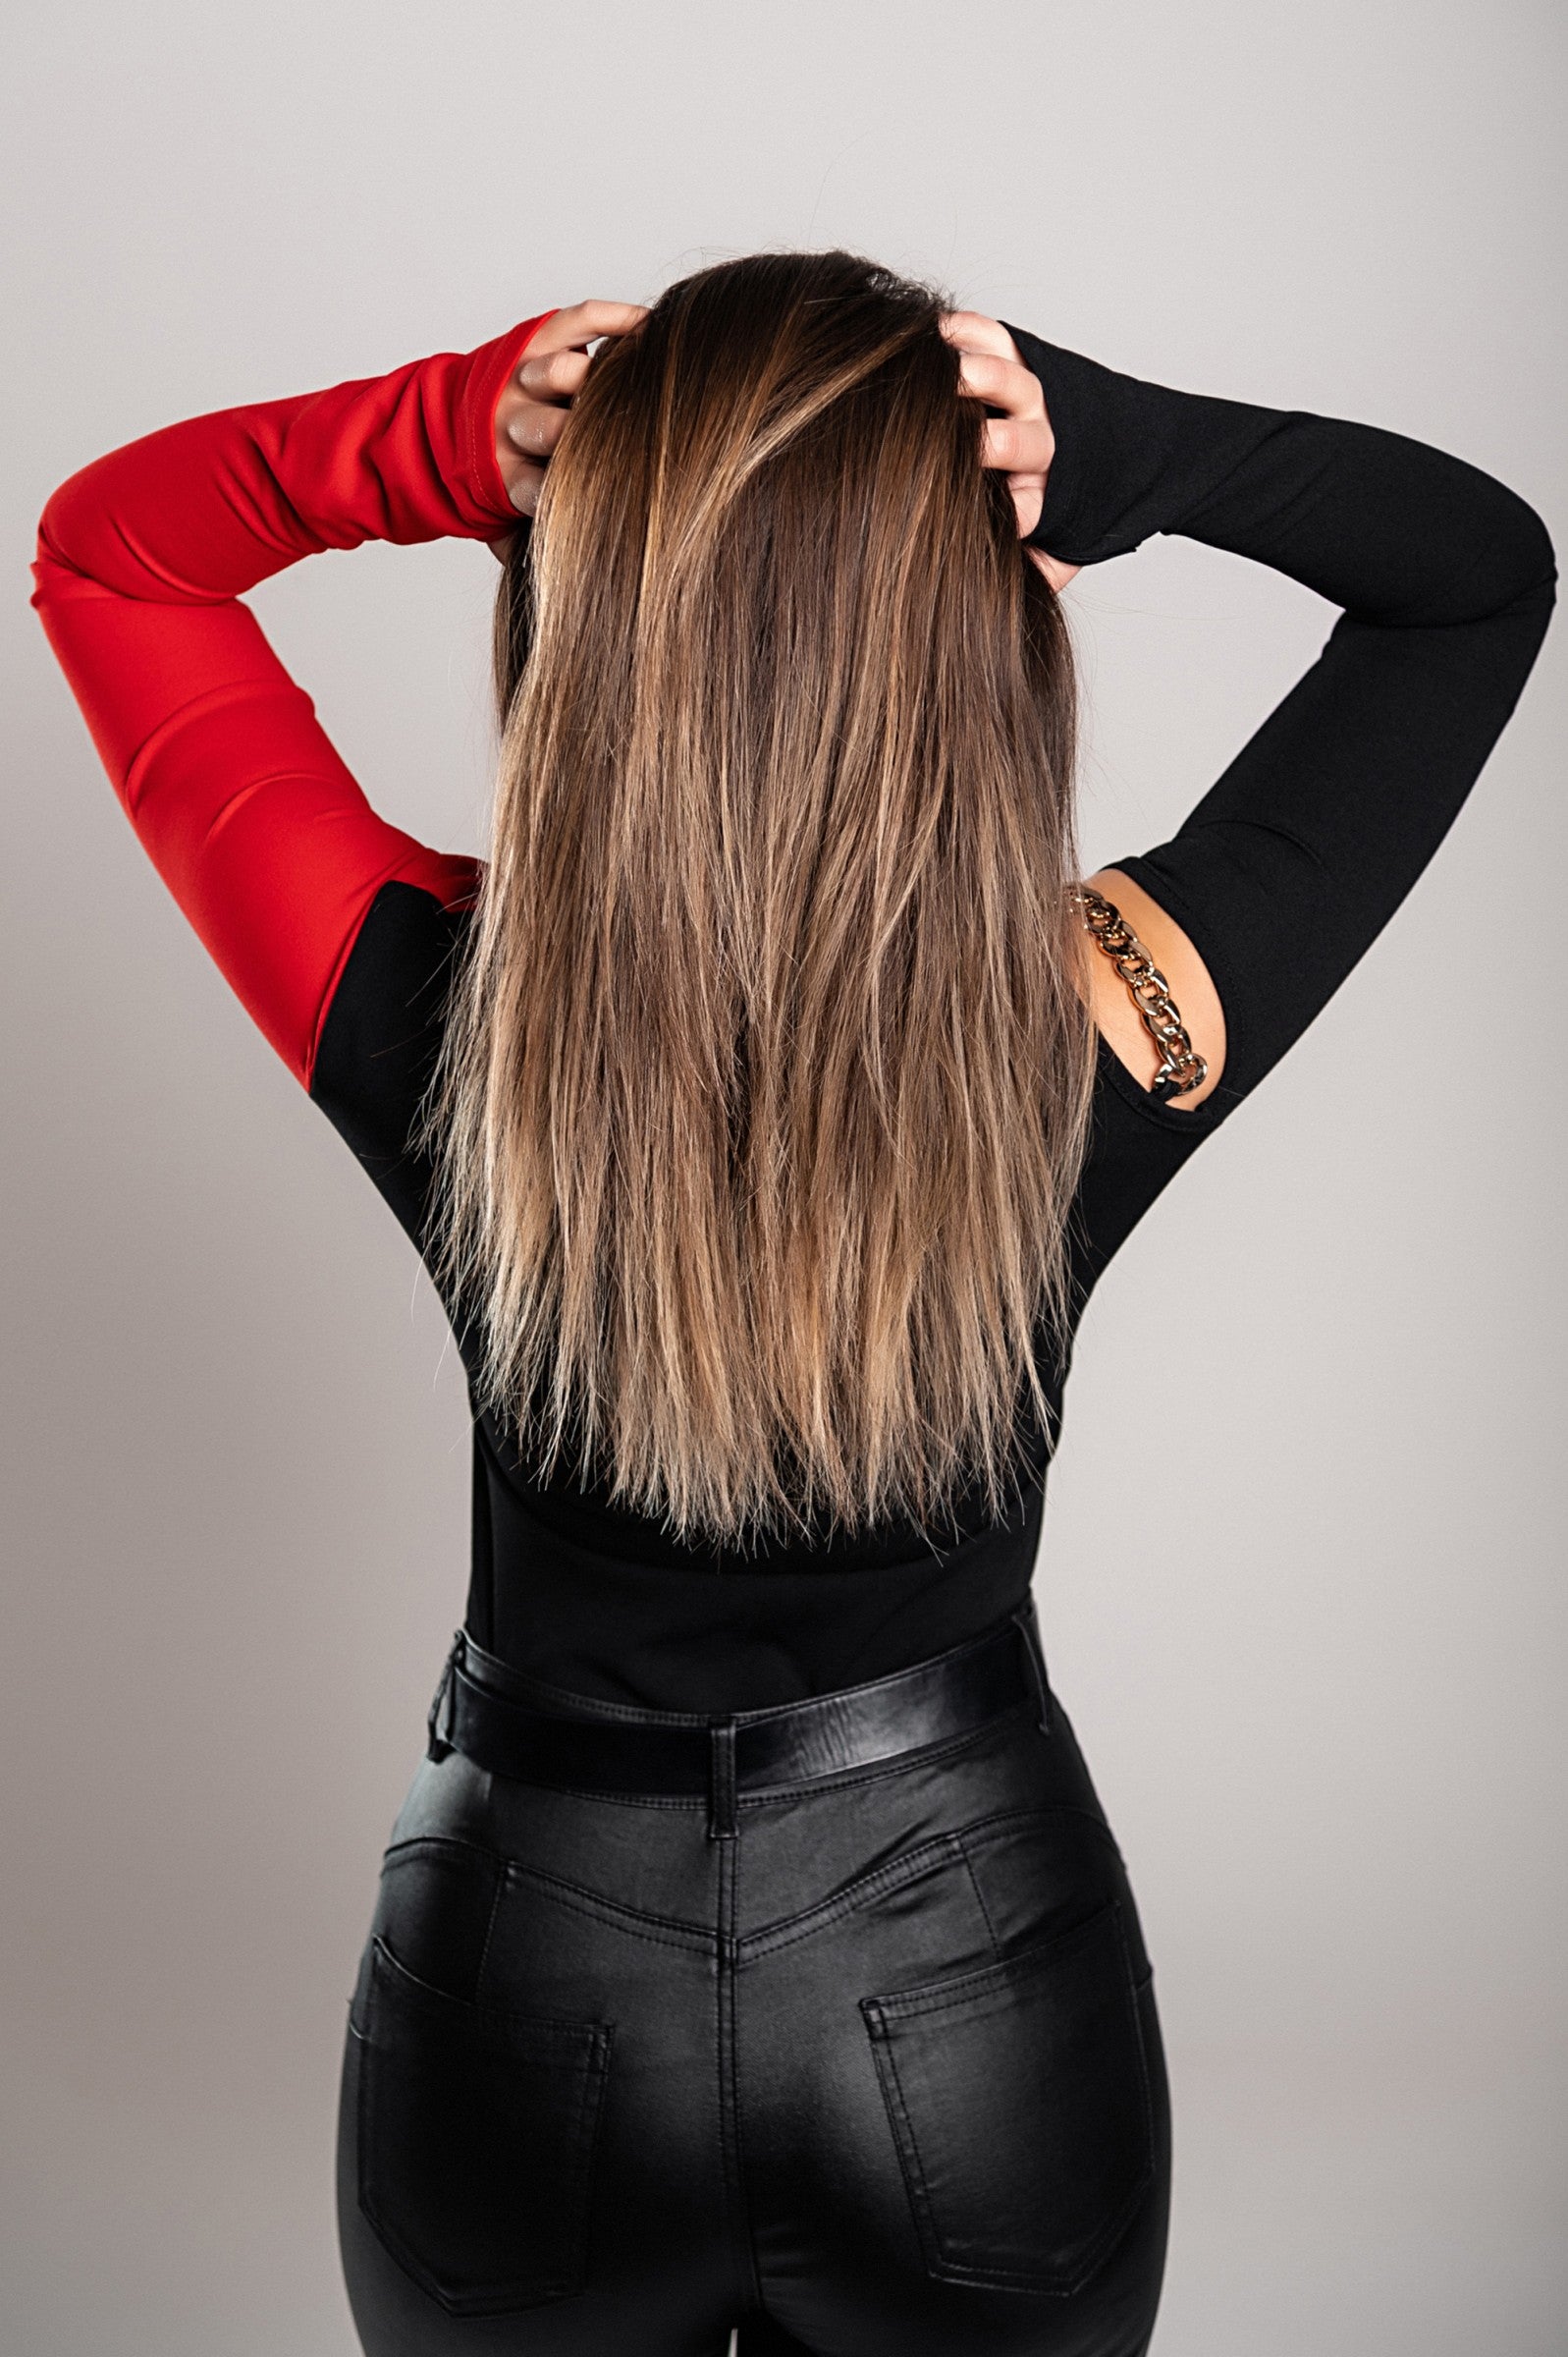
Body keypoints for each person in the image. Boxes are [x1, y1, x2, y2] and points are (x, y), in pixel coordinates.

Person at [31, 249, 1554, 2357]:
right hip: (969, 1992)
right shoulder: (1093, 1027)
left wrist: (438, 435)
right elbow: (1470, 578)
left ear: (583, 605)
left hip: (524, 1991)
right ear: (980, 627)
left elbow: (112, 556)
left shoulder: (427, 1016)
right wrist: (1123, 451)